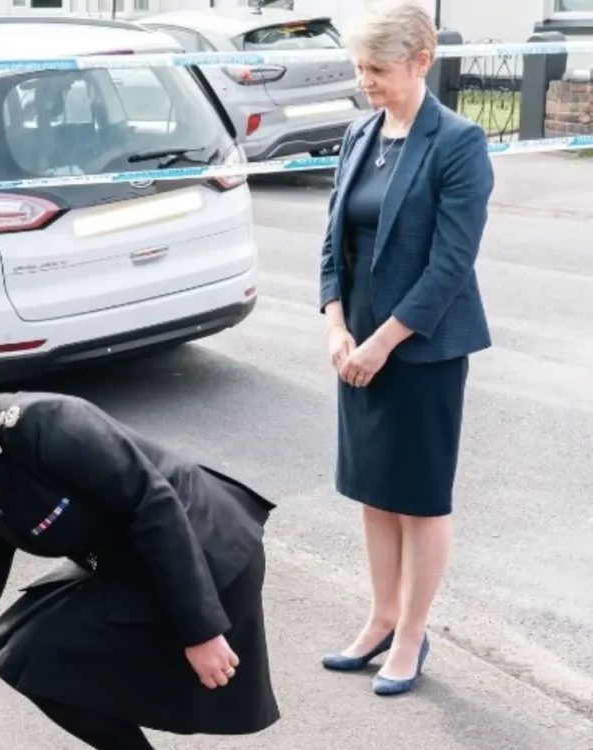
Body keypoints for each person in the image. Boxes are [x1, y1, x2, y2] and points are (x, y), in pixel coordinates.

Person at [0, 327, 280, 749]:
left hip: (203, 554)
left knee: (40, 648)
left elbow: (154, 504)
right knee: (26, 648)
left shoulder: (44, 423)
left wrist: (199, 631)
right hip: (134, 559)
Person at [317, 0, 494, 696]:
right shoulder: (360, 133)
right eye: (360, 68)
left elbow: (450, 266)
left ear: (423, 61)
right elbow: (334, 242)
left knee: (418, 498)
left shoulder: (459, 142)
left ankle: (413, 636)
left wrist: (383, 342)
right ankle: (380, 617)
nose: (367, 81)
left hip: (420, 350)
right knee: (374, 490)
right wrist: (336, 327)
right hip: (356, 344)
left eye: (379, 69)